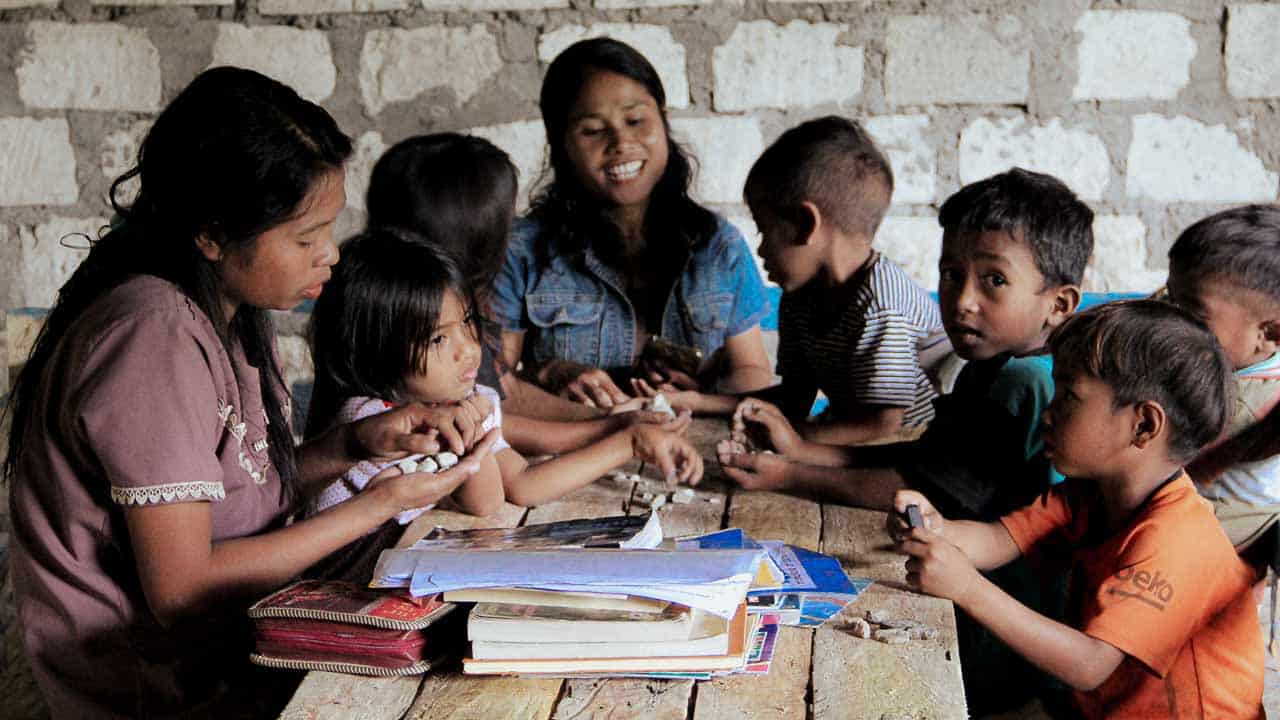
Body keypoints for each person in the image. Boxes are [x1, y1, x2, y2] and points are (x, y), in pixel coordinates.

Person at [2, 67, 498, 718]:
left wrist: (354, 444)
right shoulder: (153, 338)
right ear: (211, 234)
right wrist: (375, 505)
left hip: (224, 652)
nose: (331, 257)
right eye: (305, 238)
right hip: (157, 691)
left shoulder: (219, 315)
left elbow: (238, 502)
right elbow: (181, 590)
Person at [893, 300, 1264, 718]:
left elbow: (1089, 665)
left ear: (1143, 426)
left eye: (1068, 397)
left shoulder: (1175, 539)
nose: (1048, 414)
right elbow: (999, 539)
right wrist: (934, 528)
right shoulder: (1088, 493)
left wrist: (966, 588)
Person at [718, 167, 1092, 518]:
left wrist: (789, 475)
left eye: (995, 280)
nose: (962, 301)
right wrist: (804, 452)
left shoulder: (1025, 381)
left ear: (1059, 305)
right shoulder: (994, 362)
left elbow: (931, 489)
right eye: (951, 274)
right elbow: (929, 459)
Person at [306, 227, 702, 528]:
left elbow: (517, 486)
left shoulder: (462, 402)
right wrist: (472, 438)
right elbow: (483, 503)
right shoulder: (374, 423)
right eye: (439, 338)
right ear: (376, 353)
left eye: (466, 323)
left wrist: (630, 441)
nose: (468, 349)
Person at [490, 37, 774, 409]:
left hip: (694, 455)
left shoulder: (718, 246)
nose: (621, 142)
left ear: (664, 121)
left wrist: (702, 392)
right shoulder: (522, 252)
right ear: (560, 144)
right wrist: (548, 374)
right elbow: (489, 378)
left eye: (636, 120)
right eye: (592, 130)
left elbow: (751, 370)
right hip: (573, 456)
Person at [638, 116, 947, 447]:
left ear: (804, 224)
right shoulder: (800, 297)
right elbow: (795, 397)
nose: (760, 249)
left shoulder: (882, 308)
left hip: (914, 444)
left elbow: (882, 424)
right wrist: (698, 402)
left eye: (764, 230)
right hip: (849, 436)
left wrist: (794, 444)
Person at [364, 133, 679, 457]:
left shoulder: (454, 305)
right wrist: (612, 428)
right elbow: (498, 429)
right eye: (506, 222)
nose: (512, 233)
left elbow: (502, 391)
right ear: (475, 239)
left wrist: (612, 416)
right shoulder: (413, 320)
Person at [1165, 205, 1280, 551]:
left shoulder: (1242, 401)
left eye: (1191, 314)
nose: (1169, 321)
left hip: (1221, 529)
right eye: (1169, 298)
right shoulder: (1249, 351)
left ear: (1269, 333)